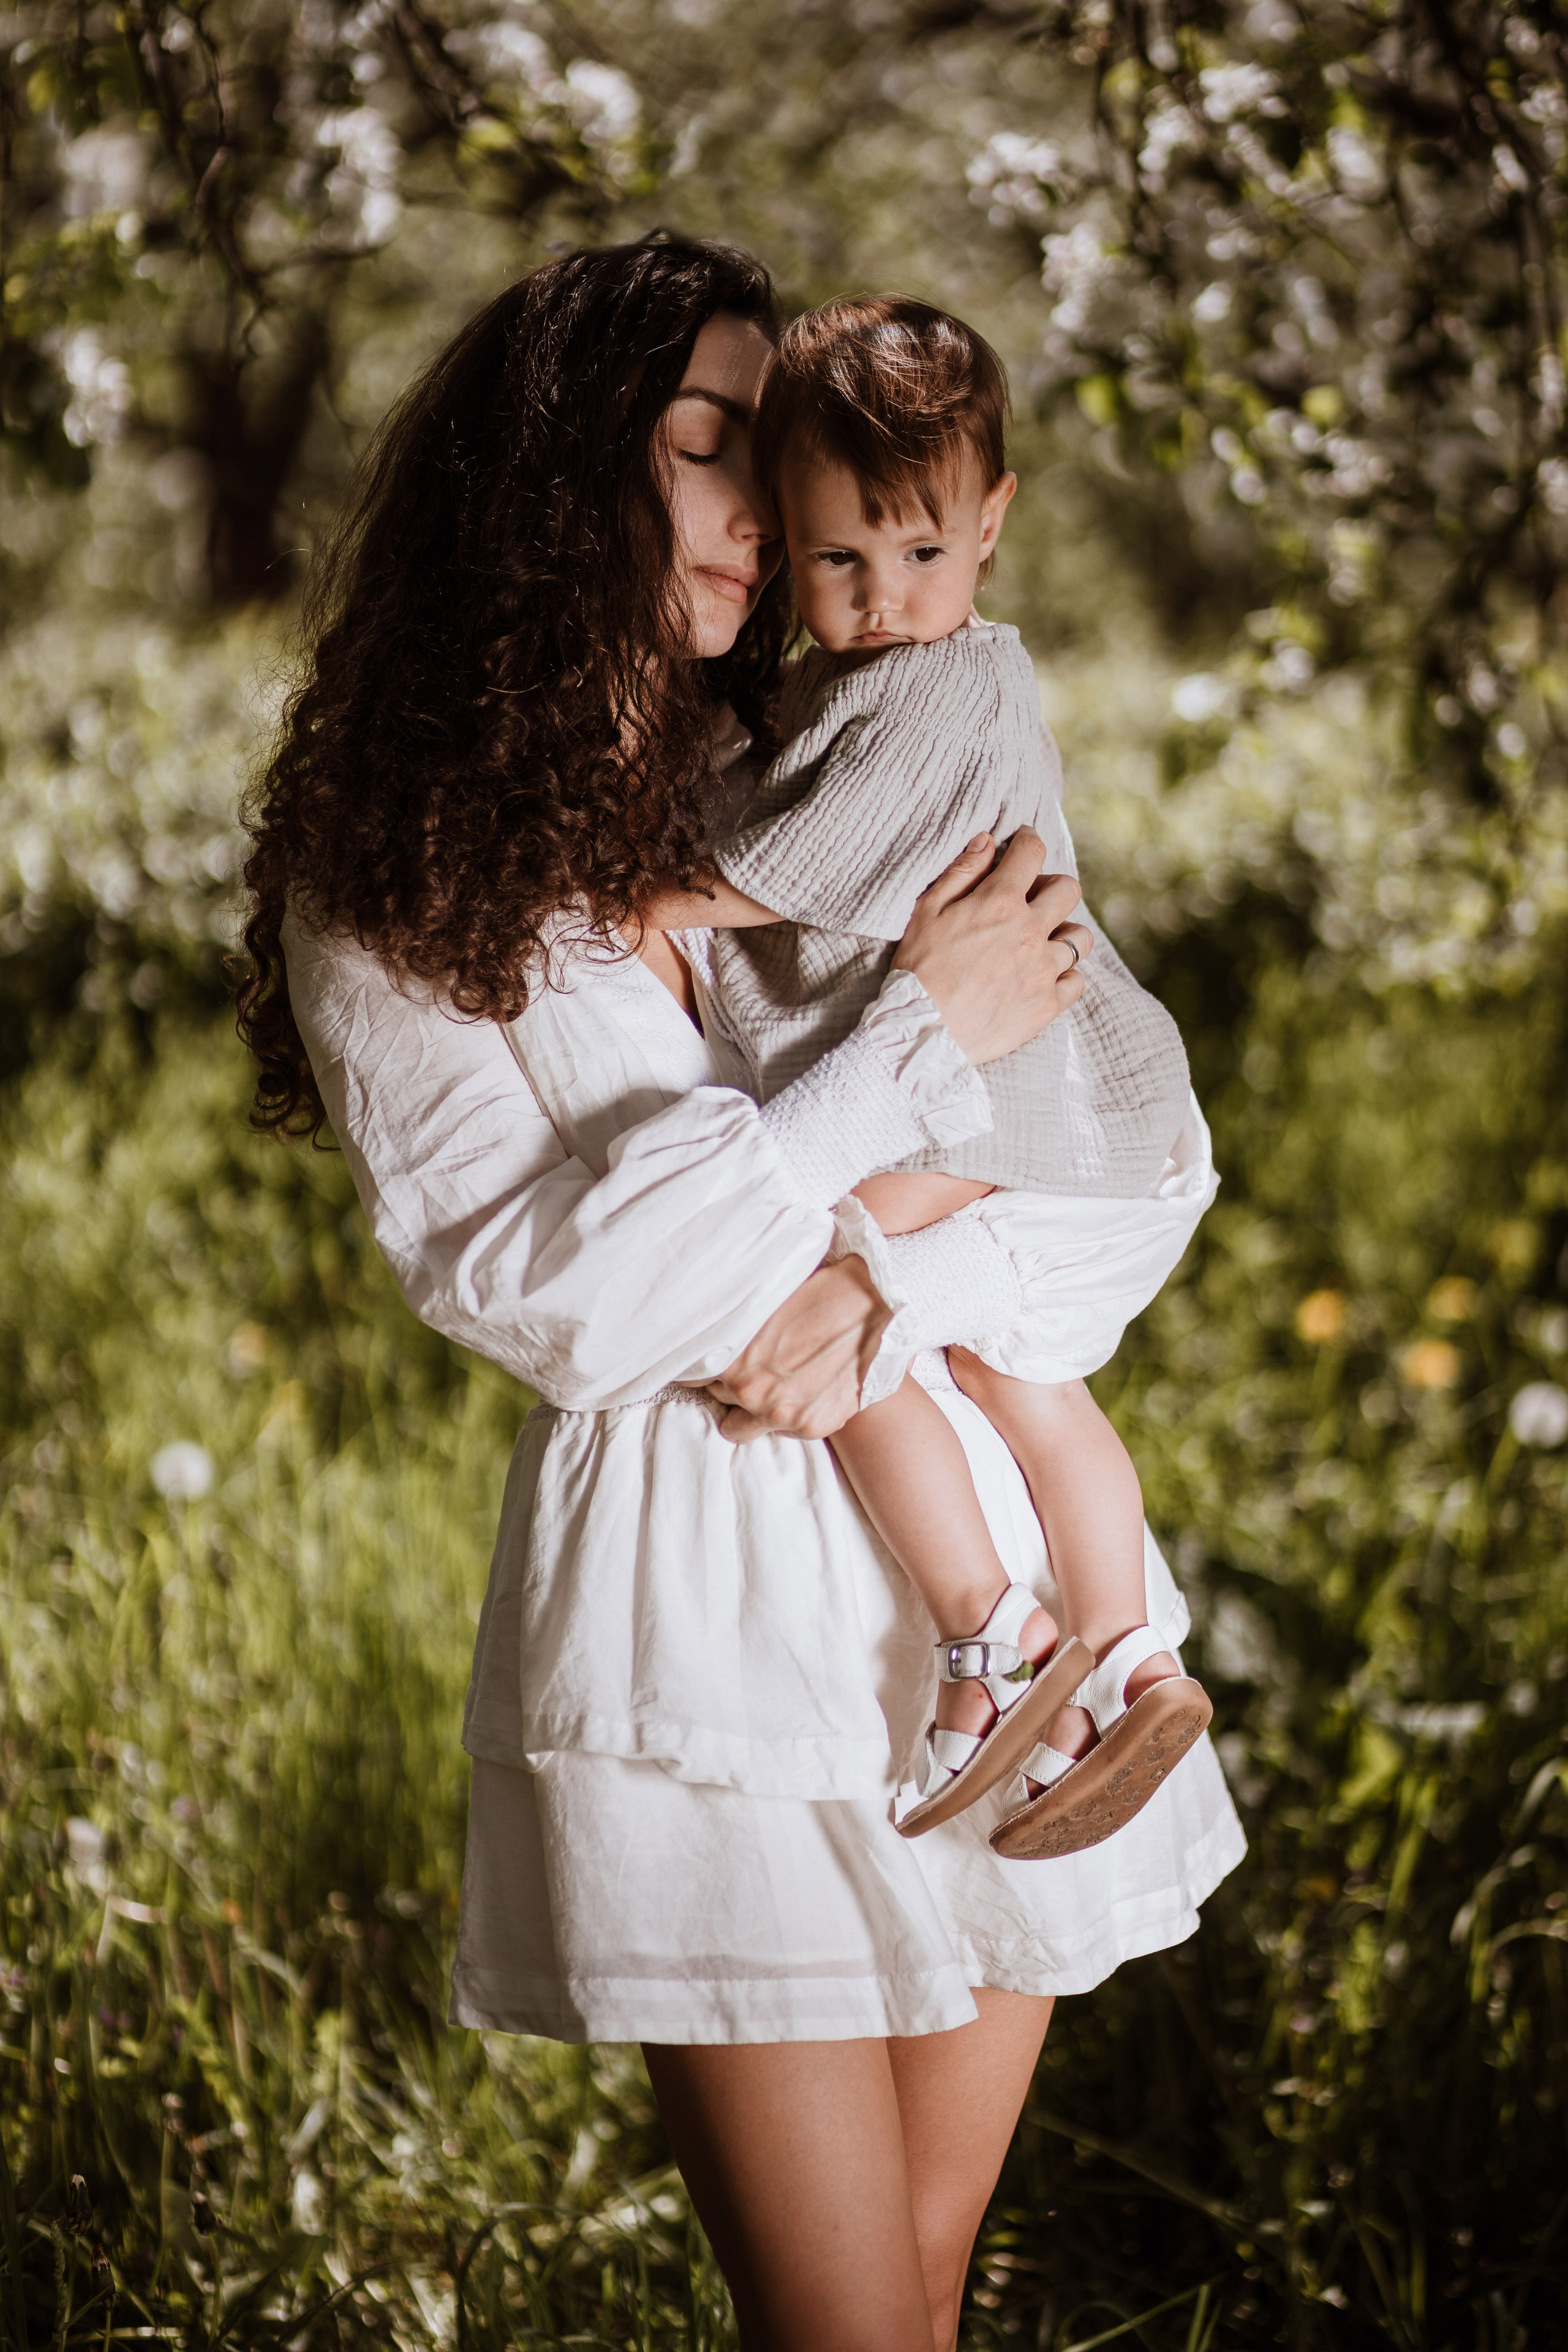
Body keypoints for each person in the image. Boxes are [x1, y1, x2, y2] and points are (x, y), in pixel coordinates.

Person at [239, 233, 1245, 2352]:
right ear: (552, 482)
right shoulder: (405, 855)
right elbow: (558, 1289)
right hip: (707, 1612)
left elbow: (1095, 1137)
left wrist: (880, 1270)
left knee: (925, 2304)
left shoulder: (820, 750)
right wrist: (896, 1061)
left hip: (988, 1612)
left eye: (765, 466)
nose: (757, 525)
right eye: (702, 455)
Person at [628, 296, 1216, 1858]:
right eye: (836, 561)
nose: (881, 598)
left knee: (837, 1290)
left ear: (992, 527)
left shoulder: (948, 687)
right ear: (788, 543)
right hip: (1042, 1101)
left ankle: (989, 1637)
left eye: (919, 554)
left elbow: (793, 863)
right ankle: (1132, 1647)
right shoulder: (871, 676)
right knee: (1020, 1380)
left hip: (1007, 1091)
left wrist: (650, 897)